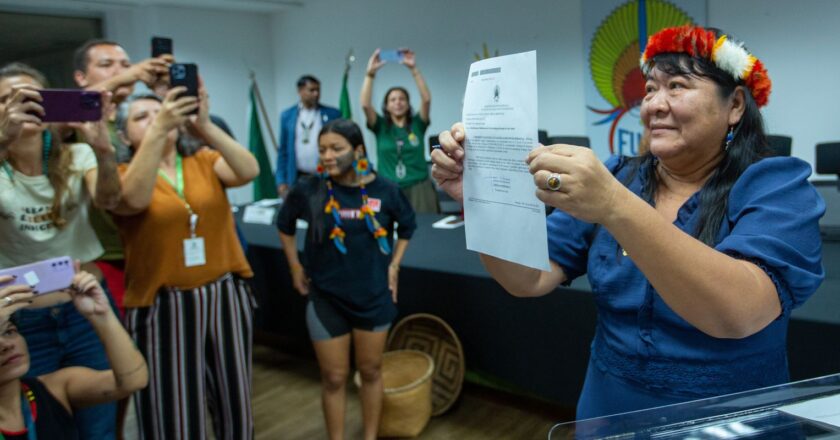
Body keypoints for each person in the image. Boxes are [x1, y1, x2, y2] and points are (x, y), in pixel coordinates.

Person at [430, 25, 824, 419]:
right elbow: (526, 279)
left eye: (678, 86)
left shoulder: (775, 186)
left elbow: (739, 313)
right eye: (651, 89)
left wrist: (615, 205)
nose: (654, 104)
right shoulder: (620, 175)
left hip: (727, 420)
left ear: (735, 104)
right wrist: (485, 200)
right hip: (608, 412)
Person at [111, 86, 259, 439]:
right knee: (173, 413)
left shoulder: (204, 162)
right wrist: (159, 131)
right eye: (141, 117)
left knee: (235, 404)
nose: (155, 120)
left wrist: (204, 124)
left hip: (224, 294)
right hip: (164, 304)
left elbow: (249, 169)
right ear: (123, 135)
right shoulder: (118, 175)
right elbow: (133, 199)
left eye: (160, 112)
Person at [0, 62, 123, 439]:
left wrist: (103, 151)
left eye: (34, 98)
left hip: (83, 308)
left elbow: (109, 199)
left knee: (100, 423)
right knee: (43, 425)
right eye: (8, 100)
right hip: (21, 322)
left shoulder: (76, 156)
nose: (23, 106)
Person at [276, 119, 416, 440]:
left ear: (358, 150)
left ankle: (369, 436)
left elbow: (407, 228)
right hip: (326, 297)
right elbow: (283, 225)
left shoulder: (385, 190)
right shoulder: (309, 188)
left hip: (373, 296)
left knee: (370, 370)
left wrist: (394, 265)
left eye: (336, 149)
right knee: (334, 377)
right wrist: (295, 267)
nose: (327, 155)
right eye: (322, 149)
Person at [0, 268, 148, 440]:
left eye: (9, 332)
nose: (6, 345)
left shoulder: (54, 388)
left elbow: (133, 381)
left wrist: (101, 316)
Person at [361, 48, 437, 213]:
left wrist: (413, 69)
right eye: (392, 99)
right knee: (387, 232)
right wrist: (370, 74)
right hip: (388, 188)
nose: (398, 102)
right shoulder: (380, 126)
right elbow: (366, 105)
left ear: (408, 104)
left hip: (419, 188)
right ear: (387, 106)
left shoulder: (418, 124)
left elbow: (426, 99)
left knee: (424, 231)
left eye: (402, 99)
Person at [275, 75, 341, 198]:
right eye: (312, 90)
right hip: (297, 177)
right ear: (300, 91)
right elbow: (283, 151)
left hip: (324, 176)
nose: (316, 94)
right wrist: (281, 181)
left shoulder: (333, 114)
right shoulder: (287, 116)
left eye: (318, 90)